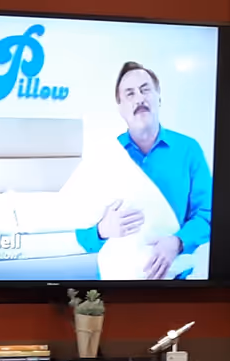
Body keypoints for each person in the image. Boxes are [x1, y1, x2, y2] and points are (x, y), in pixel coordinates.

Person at [74, 61, 213, 279]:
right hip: (114, 287)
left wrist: (177, 242)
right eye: (129, 94)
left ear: (159, 97)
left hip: (177, 284)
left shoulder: (189, 150)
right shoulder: (104, 156)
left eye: (145, 89)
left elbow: (207, 215)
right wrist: (102, 230)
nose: (139, 98)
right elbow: (81, 232)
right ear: (120, 108)